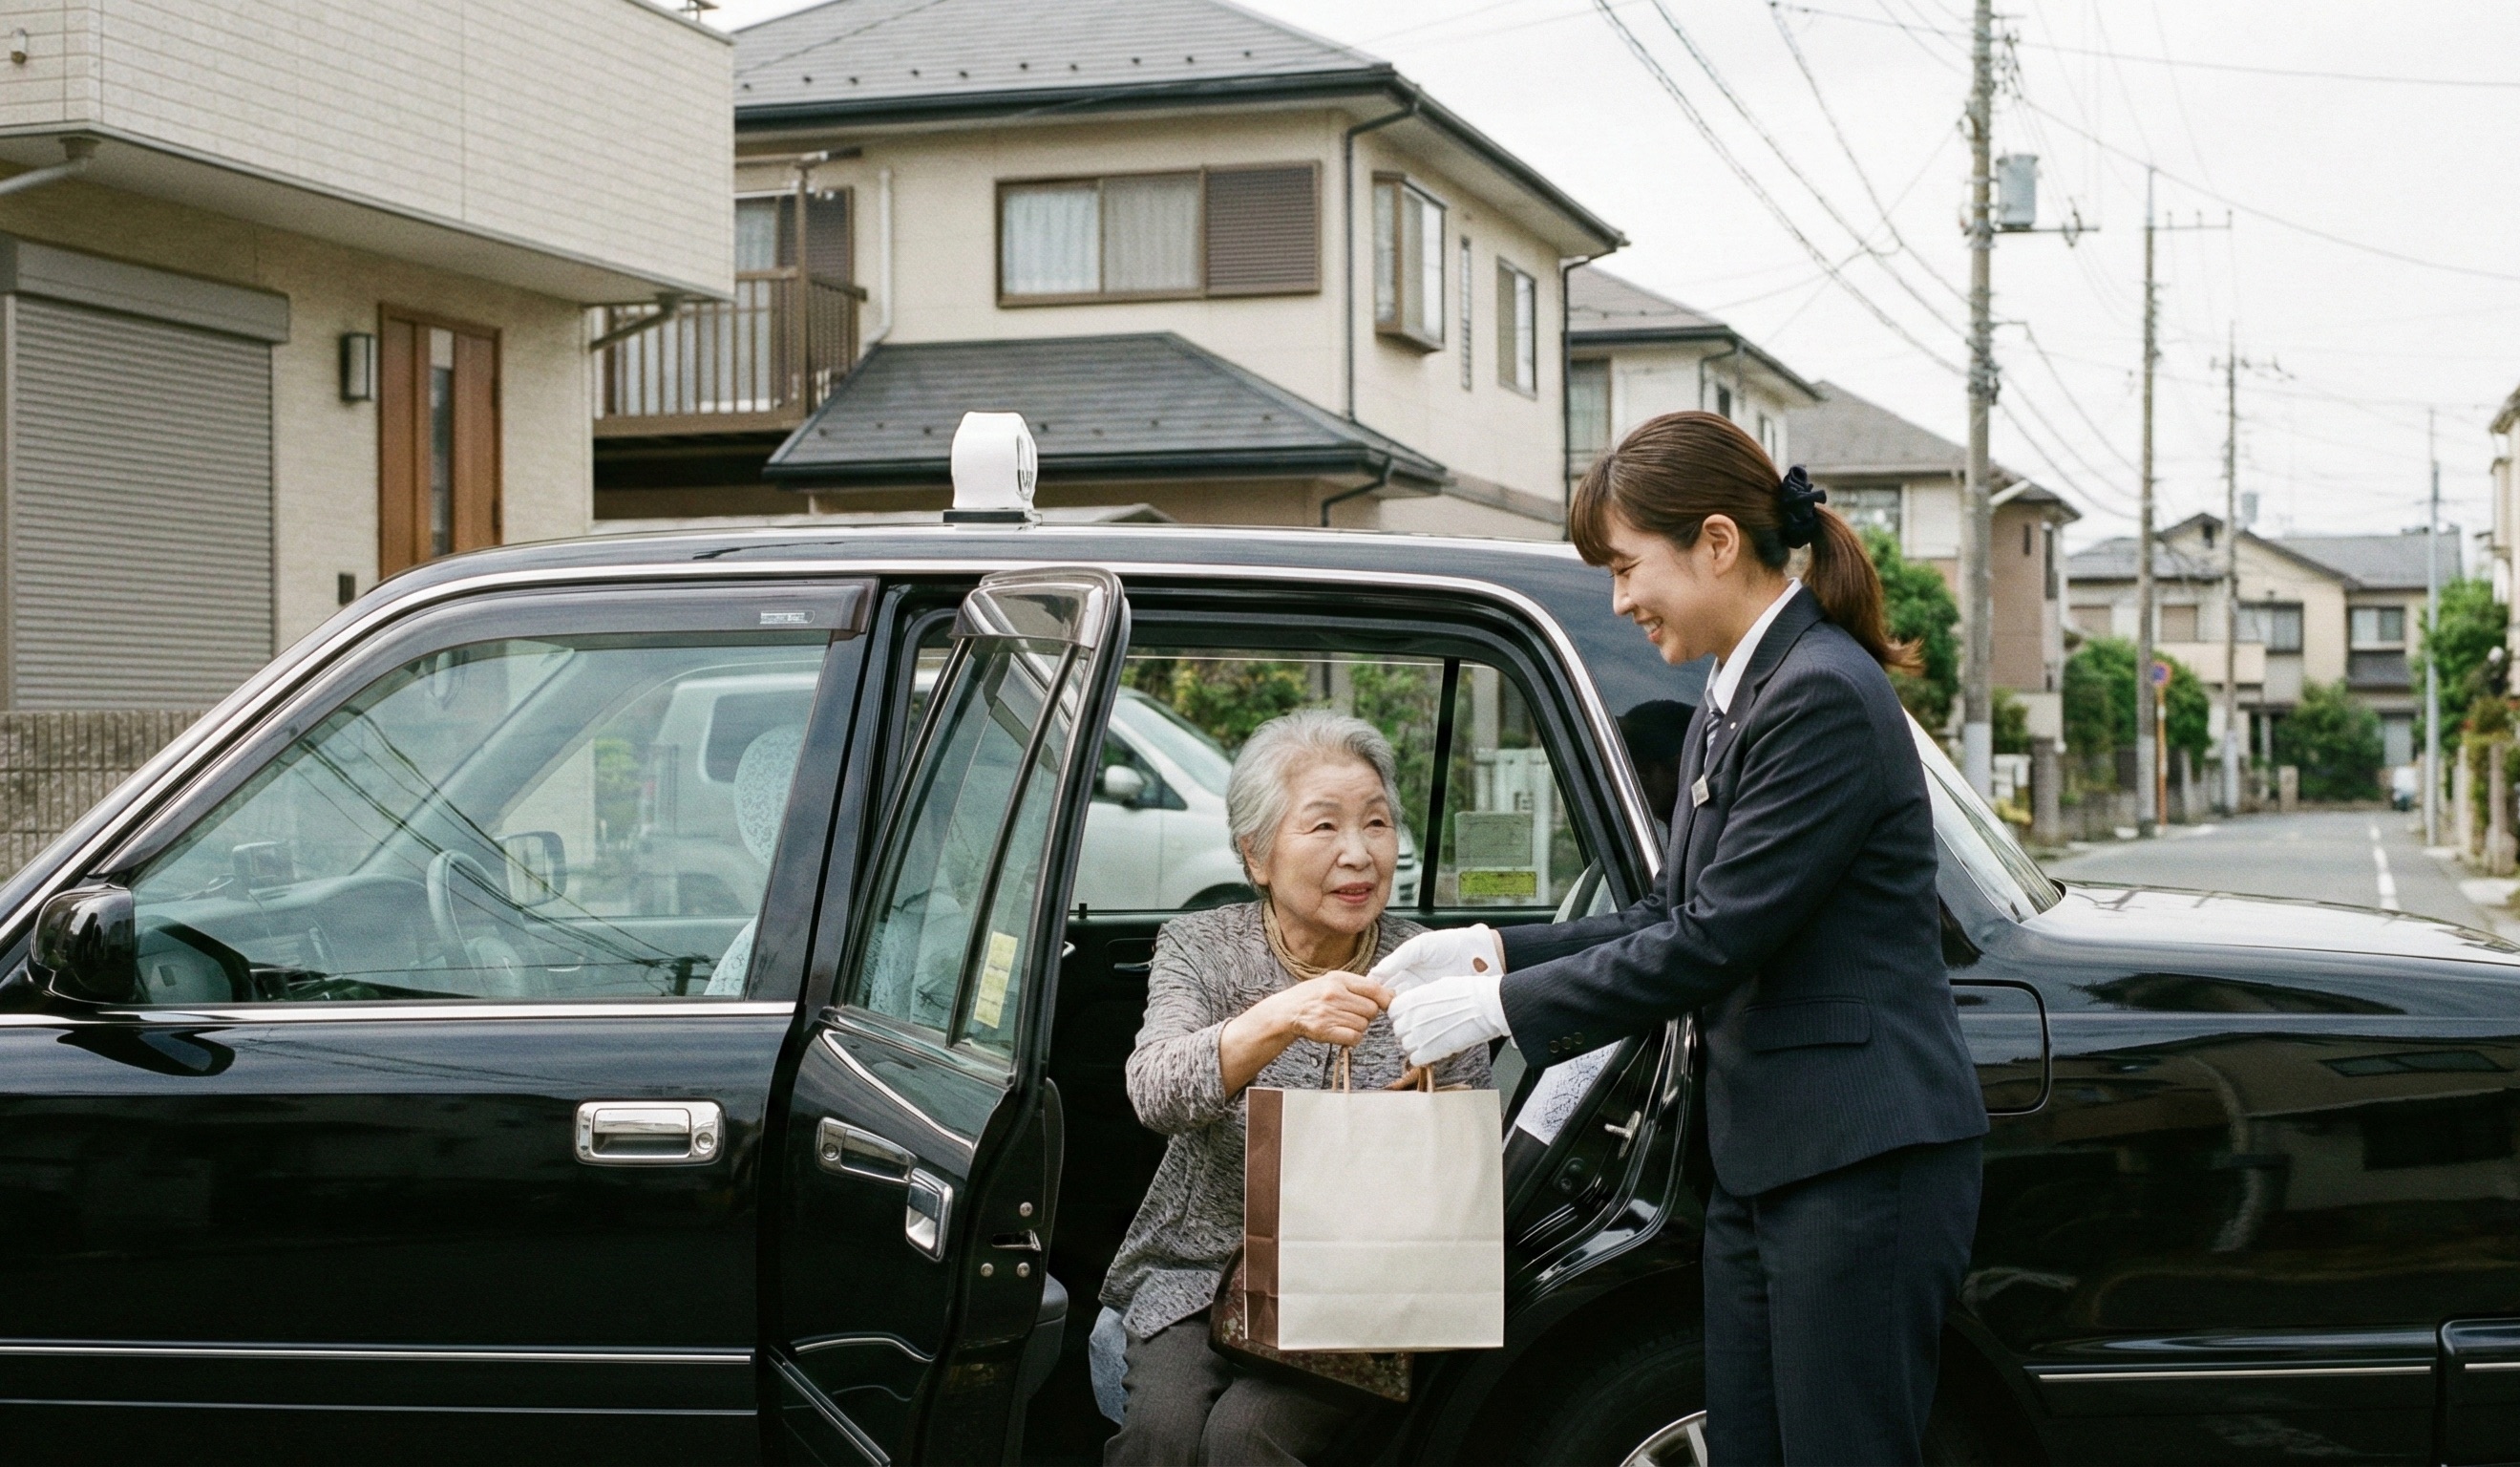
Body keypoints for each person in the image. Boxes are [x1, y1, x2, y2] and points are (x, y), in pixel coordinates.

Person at [1383, 411, 1988, 1465]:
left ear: (1715, 541)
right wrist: (1486, 950)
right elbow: (1668, 911)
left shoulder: (1819, 695)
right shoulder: (1733, 691)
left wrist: (1495, 1013)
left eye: (1626, 569)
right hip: (1775, 1161)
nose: (1620, 602)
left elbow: (1715, 940)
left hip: (1858, 1161)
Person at [1098, 710, 1491, 1466]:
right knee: (1161, 1437)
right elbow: (1154, 1094)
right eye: (1324, 828)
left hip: (1361, 1289)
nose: (1358, 854)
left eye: (1376, 824)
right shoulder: (1201, 946)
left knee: (1247, 1440)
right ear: (1256, 855)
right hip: (1198, 1272)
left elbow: (1459, 1162)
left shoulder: (1424, 968)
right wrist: (1277, 1019)